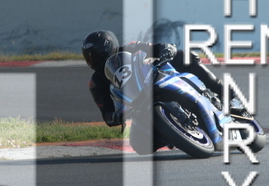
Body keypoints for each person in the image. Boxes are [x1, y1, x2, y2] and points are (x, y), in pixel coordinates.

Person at [82, 29, 238, 128]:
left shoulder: (131, 47)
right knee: (139, 145)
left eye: (95, 56)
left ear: (108, 48)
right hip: (136, 108)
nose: (93, 62)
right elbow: (107, 115)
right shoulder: (96, 83)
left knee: (185, 57)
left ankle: (229, 96)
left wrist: (166, 50)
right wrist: (116, 116)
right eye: (89, 58)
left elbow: (157, 47)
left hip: (155, 79)